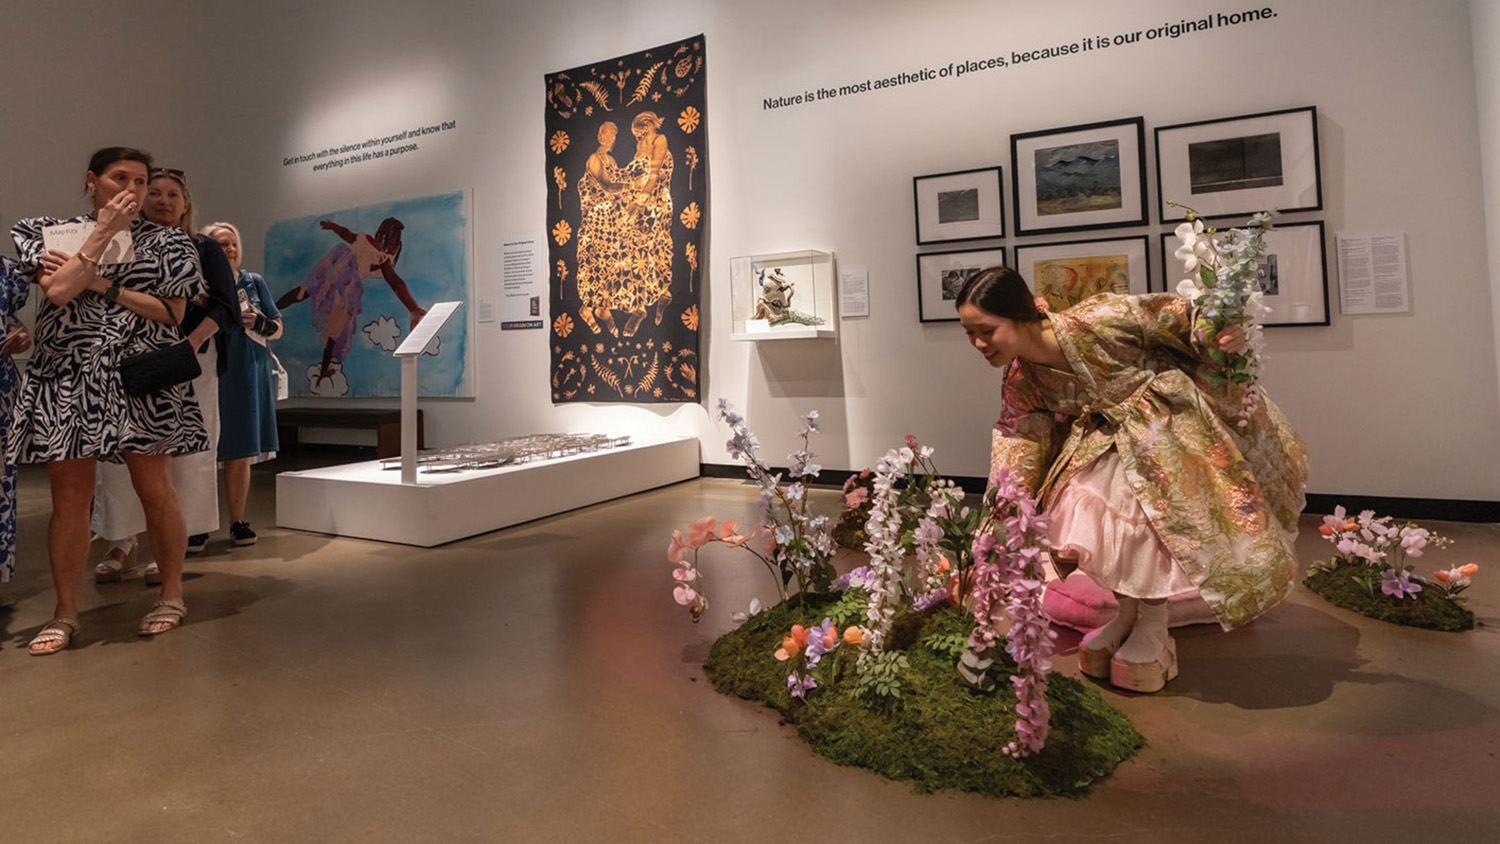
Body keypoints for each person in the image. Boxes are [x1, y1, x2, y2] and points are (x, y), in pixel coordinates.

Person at [956, 266, 1307, 693]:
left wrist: (1219, 333)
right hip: (1105, 439)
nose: (977, 344)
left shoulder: (1100, 319)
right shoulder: (1022, 378)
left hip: (1165, 428)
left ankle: (1154, 627)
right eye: (969, 333)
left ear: (1020, 316)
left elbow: (1178, 315)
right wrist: (1002, 512)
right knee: (1093, 515)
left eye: (986, 331)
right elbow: (1020, 439)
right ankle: (1126, 614)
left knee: (1147, 524)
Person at [9, 146, 207, 654]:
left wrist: (99, 283)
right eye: (122, 178)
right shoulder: (44, 231)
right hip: (67, 375)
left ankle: (171, 593)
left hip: (141, 375)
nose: (134, 190)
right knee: (69, 495)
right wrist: (99, 237)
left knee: (154, 487)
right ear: (92, 180)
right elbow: (55, 291)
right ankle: (65, 612)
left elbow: (172, 313)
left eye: (141, 181)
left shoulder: (170, 243)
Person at [92, 168, 238, 583]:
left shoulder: (204, 247)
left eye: (172, 194)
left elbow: (224, 308)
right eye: (152, 192)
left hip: (187, 361)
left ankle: (173, 544)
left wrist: (186, 344)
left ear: (185, 202)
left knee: (184, 457)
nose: (162, 200)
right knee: (119, 454)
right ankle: (122, 538)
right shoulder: (122, 242)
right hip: (124, 357)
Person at [275, 216, 426, 392]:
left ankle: (273, 309)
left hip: (335, 273)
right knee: (333, 328)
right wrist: (412, 307)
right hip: (343, 283)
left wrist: (333, 226)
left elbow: (347, 234)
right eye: (394, 242)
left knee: (306, 293)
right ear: (387, 238)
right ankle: (322, 370)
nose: (394, 247)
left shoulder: (371, 246)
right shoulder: (382, 258)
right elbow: (396, 283)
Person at [203, 221, 282, 545]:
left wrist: (260, 322)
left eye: (233, 243)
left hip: (248, 370)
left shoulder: (253, 282)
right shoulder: (200, 284)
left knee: (240, 450)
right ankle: (197, 526)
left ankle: (237, 521)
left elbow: (278, 327)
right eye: (222, 244)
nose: (230, 250)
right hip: (211, 370)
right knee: (204, 452)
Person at [617, 111, 674, 336]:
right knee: (636, 255)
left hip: (655, 205)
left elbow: (654, 176)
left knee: (652, 250)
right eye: (636, 134)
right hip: (640, 206)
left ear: (649, 124)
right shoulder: (641, 146)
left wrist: (639, 202)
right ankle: (649, 301)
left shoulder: (660, 141)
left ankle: (652, 299)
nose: (639, 136)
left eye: (641, 130)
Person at [575, 121, 630, 336]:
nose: (612, 139)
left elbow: (616, 183)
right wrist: (630, 187)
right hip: (595, 223)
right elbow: (607, 185)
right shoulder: (594, 160)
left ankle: (600, 307)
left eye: (614, 135)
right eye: (608, 134)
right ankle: (589, 308)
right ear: (600, 136)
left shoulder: (612, 160)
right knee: (595, 264)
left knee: (610, 266)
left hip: (610, 222)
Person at [0, 255, 32, 594]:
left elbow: (11, 320)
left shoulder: (8, 269)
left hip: (2, 388)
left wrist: (19, 336)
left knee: (2, 486)